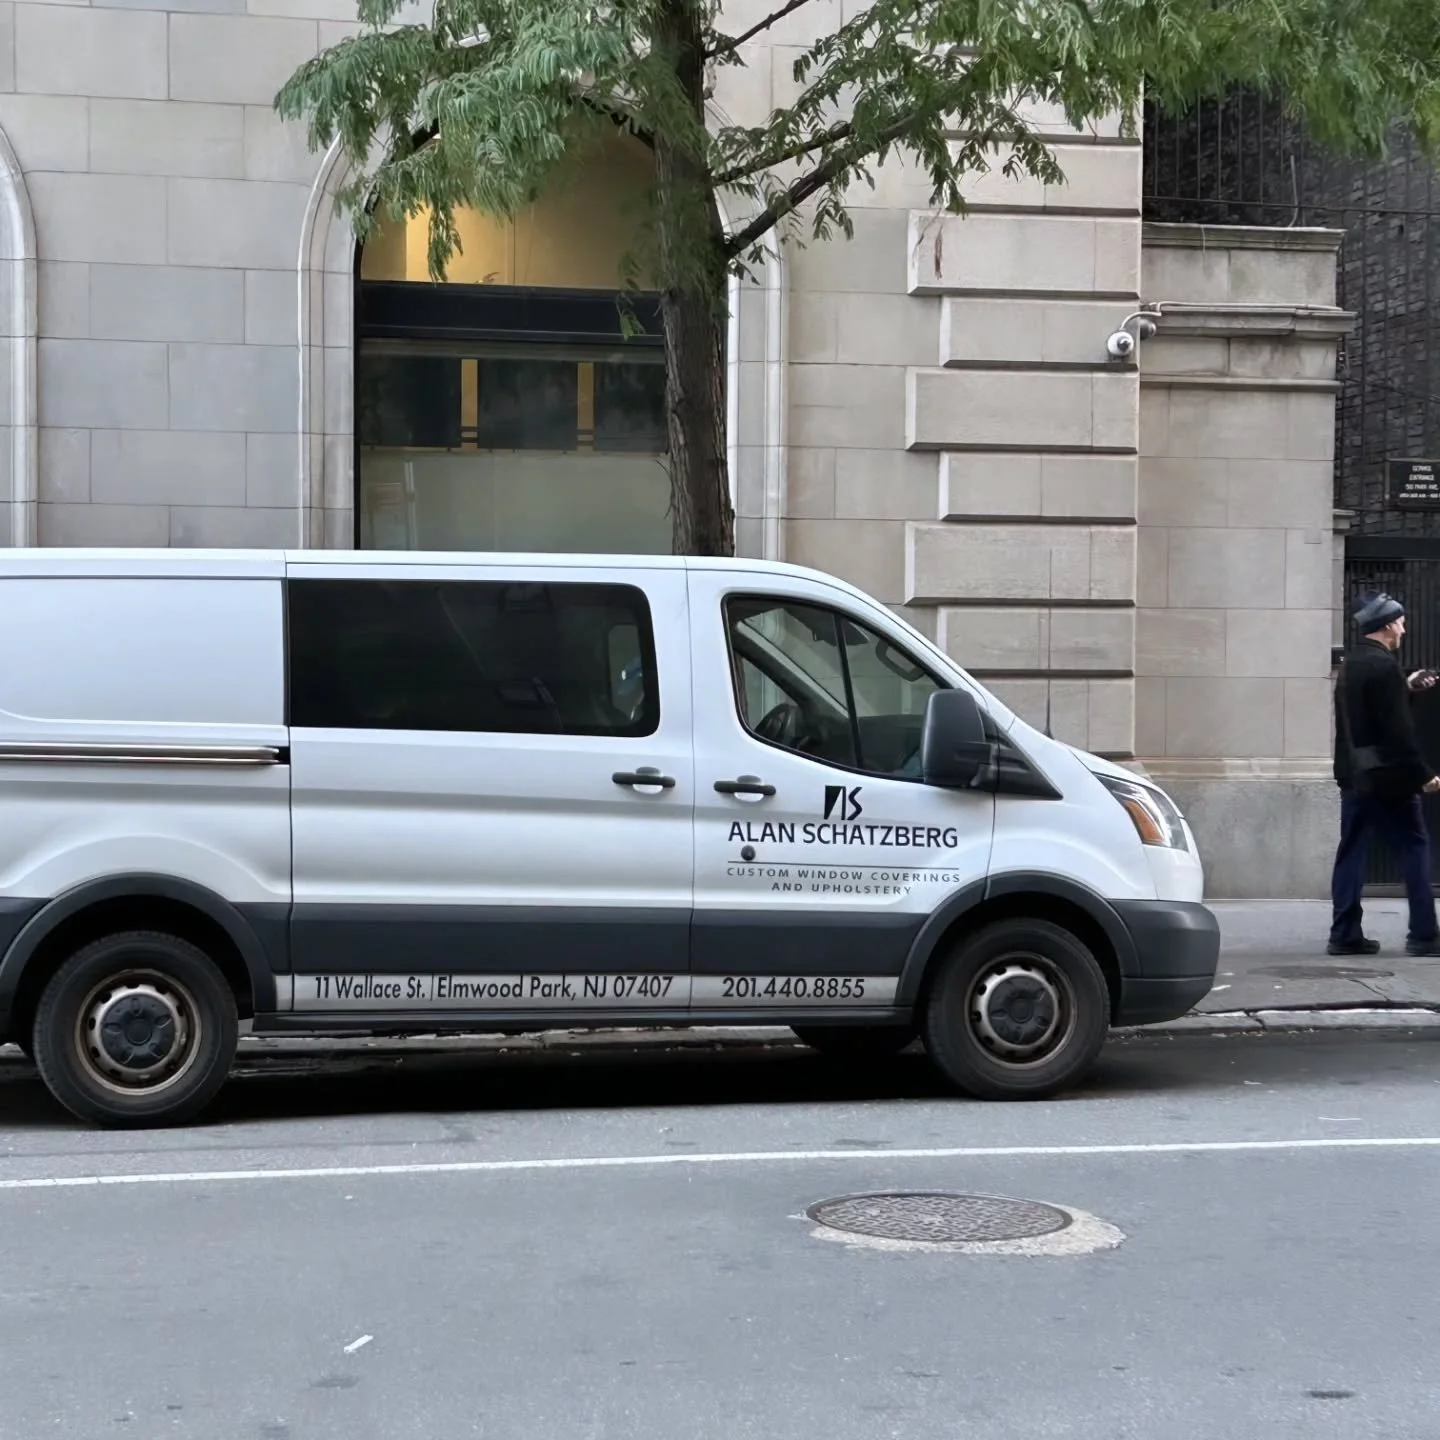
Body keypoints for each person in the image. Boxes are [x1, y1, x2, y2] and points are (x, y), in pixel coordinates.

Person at [1330, 592, 1440, 956]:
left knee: (1352, 853)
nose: (1405, 629)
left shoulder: (1353, 664)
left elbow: (1365, 714)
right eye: (1402, 622)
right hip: (1388, 779)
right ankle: (1424, 935)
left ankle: (1344, 935)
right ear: (1389, 624)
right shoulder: (1385, 666)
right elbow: (1397, 732)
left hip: (1354, 776)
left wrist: (1406, 687)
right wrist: (1422, 774)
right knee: (1414, 847)